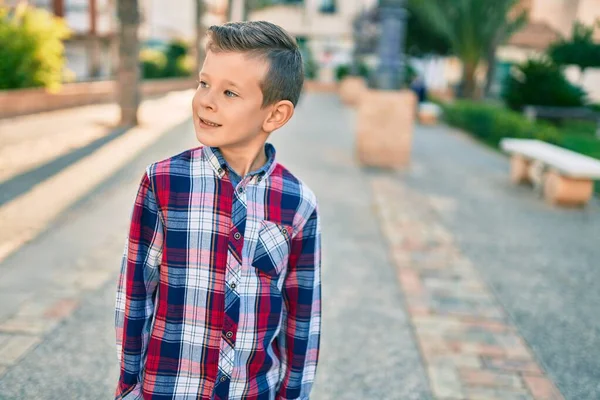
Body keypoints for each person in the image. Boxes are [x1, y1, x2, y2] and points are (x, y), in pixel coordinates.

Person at [115, 21, 321, 400]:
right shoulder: (163, 182)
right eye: (203, 83)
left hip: (254, 391)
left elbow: (302, 315)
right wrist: (129, 385)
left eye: (229, 92)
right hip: (169, 389)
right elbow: (135, 293)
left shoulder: (297, 202)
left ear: (274, 115)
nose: (206, 100)